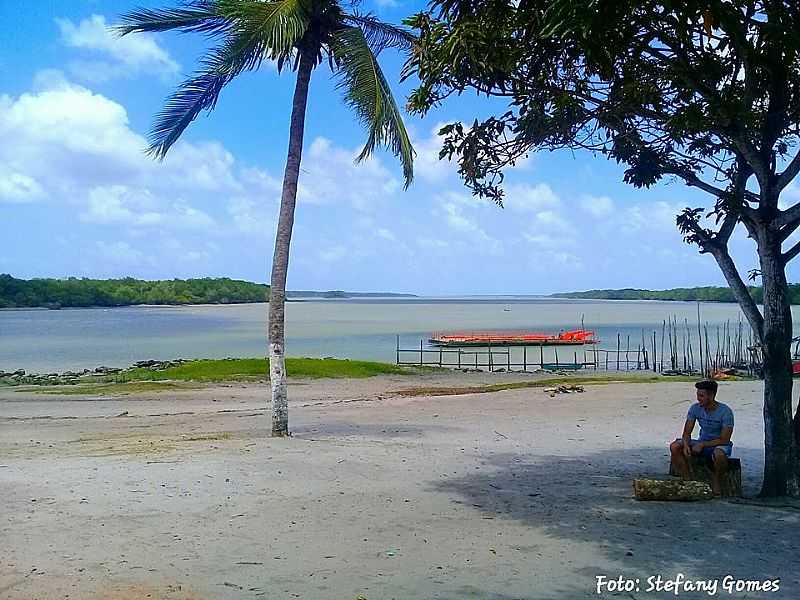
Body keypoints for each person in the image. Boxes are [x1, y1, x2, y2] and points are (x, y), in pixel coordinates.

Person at [669, 379, 734, 496]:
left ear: (711, 395)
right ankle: (687, 479)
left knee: (719, 455)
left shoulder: (725, 412)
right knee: (675, 446)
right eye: (698, 395)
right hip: (701, 442)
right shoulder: (695, 408)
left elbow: (725, 439)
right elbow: (687, 433)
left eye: (701, 396)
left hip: (719, 444)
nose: (698, 398)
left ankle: (716, 481)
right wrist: (685, 445)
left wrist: (703, 444)